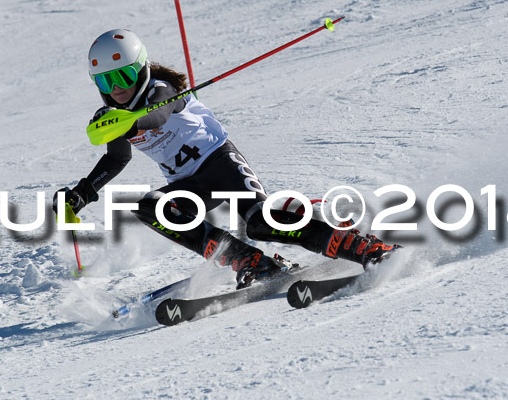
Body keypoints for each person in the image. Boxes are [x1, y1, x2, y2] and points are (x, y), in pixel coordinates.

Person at [54, 29, 398, 288]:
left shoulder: (161, 91)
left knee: (262, 222)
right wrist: (83, 192)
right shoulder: (113, 115)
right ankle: (248, 260)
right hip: (190, 184)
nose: (117, 88)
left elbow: (156, 117)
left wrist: (125, 121)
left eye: (124, 76)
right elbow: (116, 158)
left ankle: (362, 247)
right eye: (106, 80)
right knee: (151, 206)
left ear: (141, 70)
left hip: (221, 164)